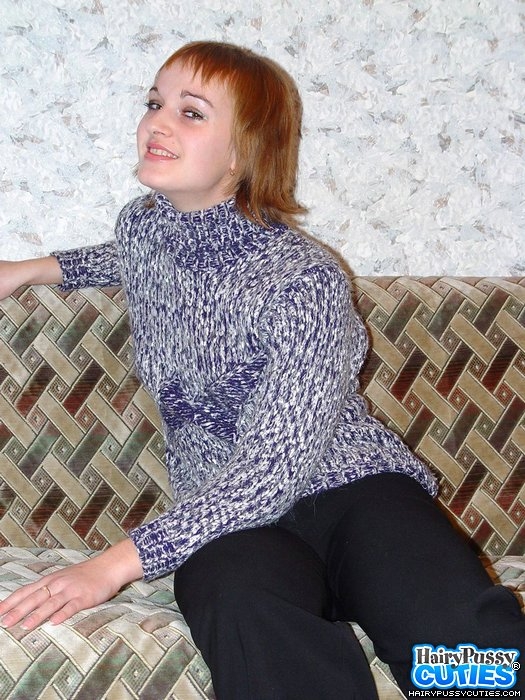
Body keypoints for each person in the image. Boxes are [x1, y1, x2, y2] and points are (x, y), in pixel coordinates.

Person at [0, 41, 523, 699]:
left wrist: (114, 565)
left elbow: (273, 467)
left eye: (191, 112)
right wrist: (32, 269)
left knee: (458, 641)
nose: (157, 122)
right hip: (230, 521)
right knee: (246, 612)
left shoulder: (304, 280)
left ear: (242, 153)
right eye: (154, 103)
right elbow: (132, 256)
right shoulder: (143, 228)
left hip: (354, 496)